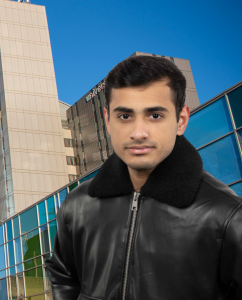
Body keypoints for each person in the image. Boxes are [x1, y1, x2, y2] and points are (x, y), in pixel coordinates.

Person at [45, 56, 242, 299]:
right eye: (125, 116)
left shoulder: (228, 215)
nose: (138, 133)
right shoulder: (78, 203)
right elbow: (63, 274)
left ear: (180, 121)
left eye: (155, 115)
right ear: (108, 121)